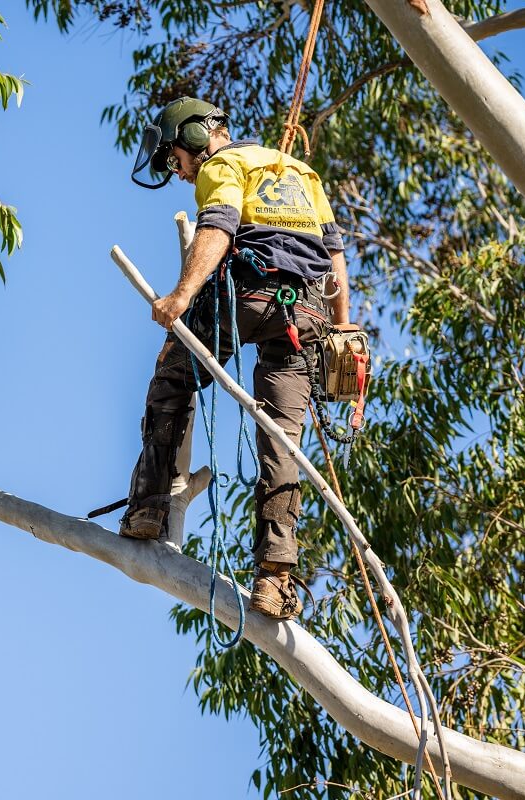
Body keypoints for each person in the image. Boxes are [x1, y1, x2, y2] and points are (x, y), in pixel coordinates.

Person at [122, 96, 354, 620]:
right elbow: (334, 253)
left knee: (172, 376)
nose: (179, 174)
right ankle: (274, 578)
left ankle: (149, 509)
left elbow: (219, 228)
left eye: (176, 160)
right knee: (282, 441)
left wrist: (181, 295)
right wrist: (342, 327)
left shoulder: (223, 166)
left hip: (246, 298)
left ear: (196, 138)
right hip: (308, 316)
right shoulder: (302, 172)